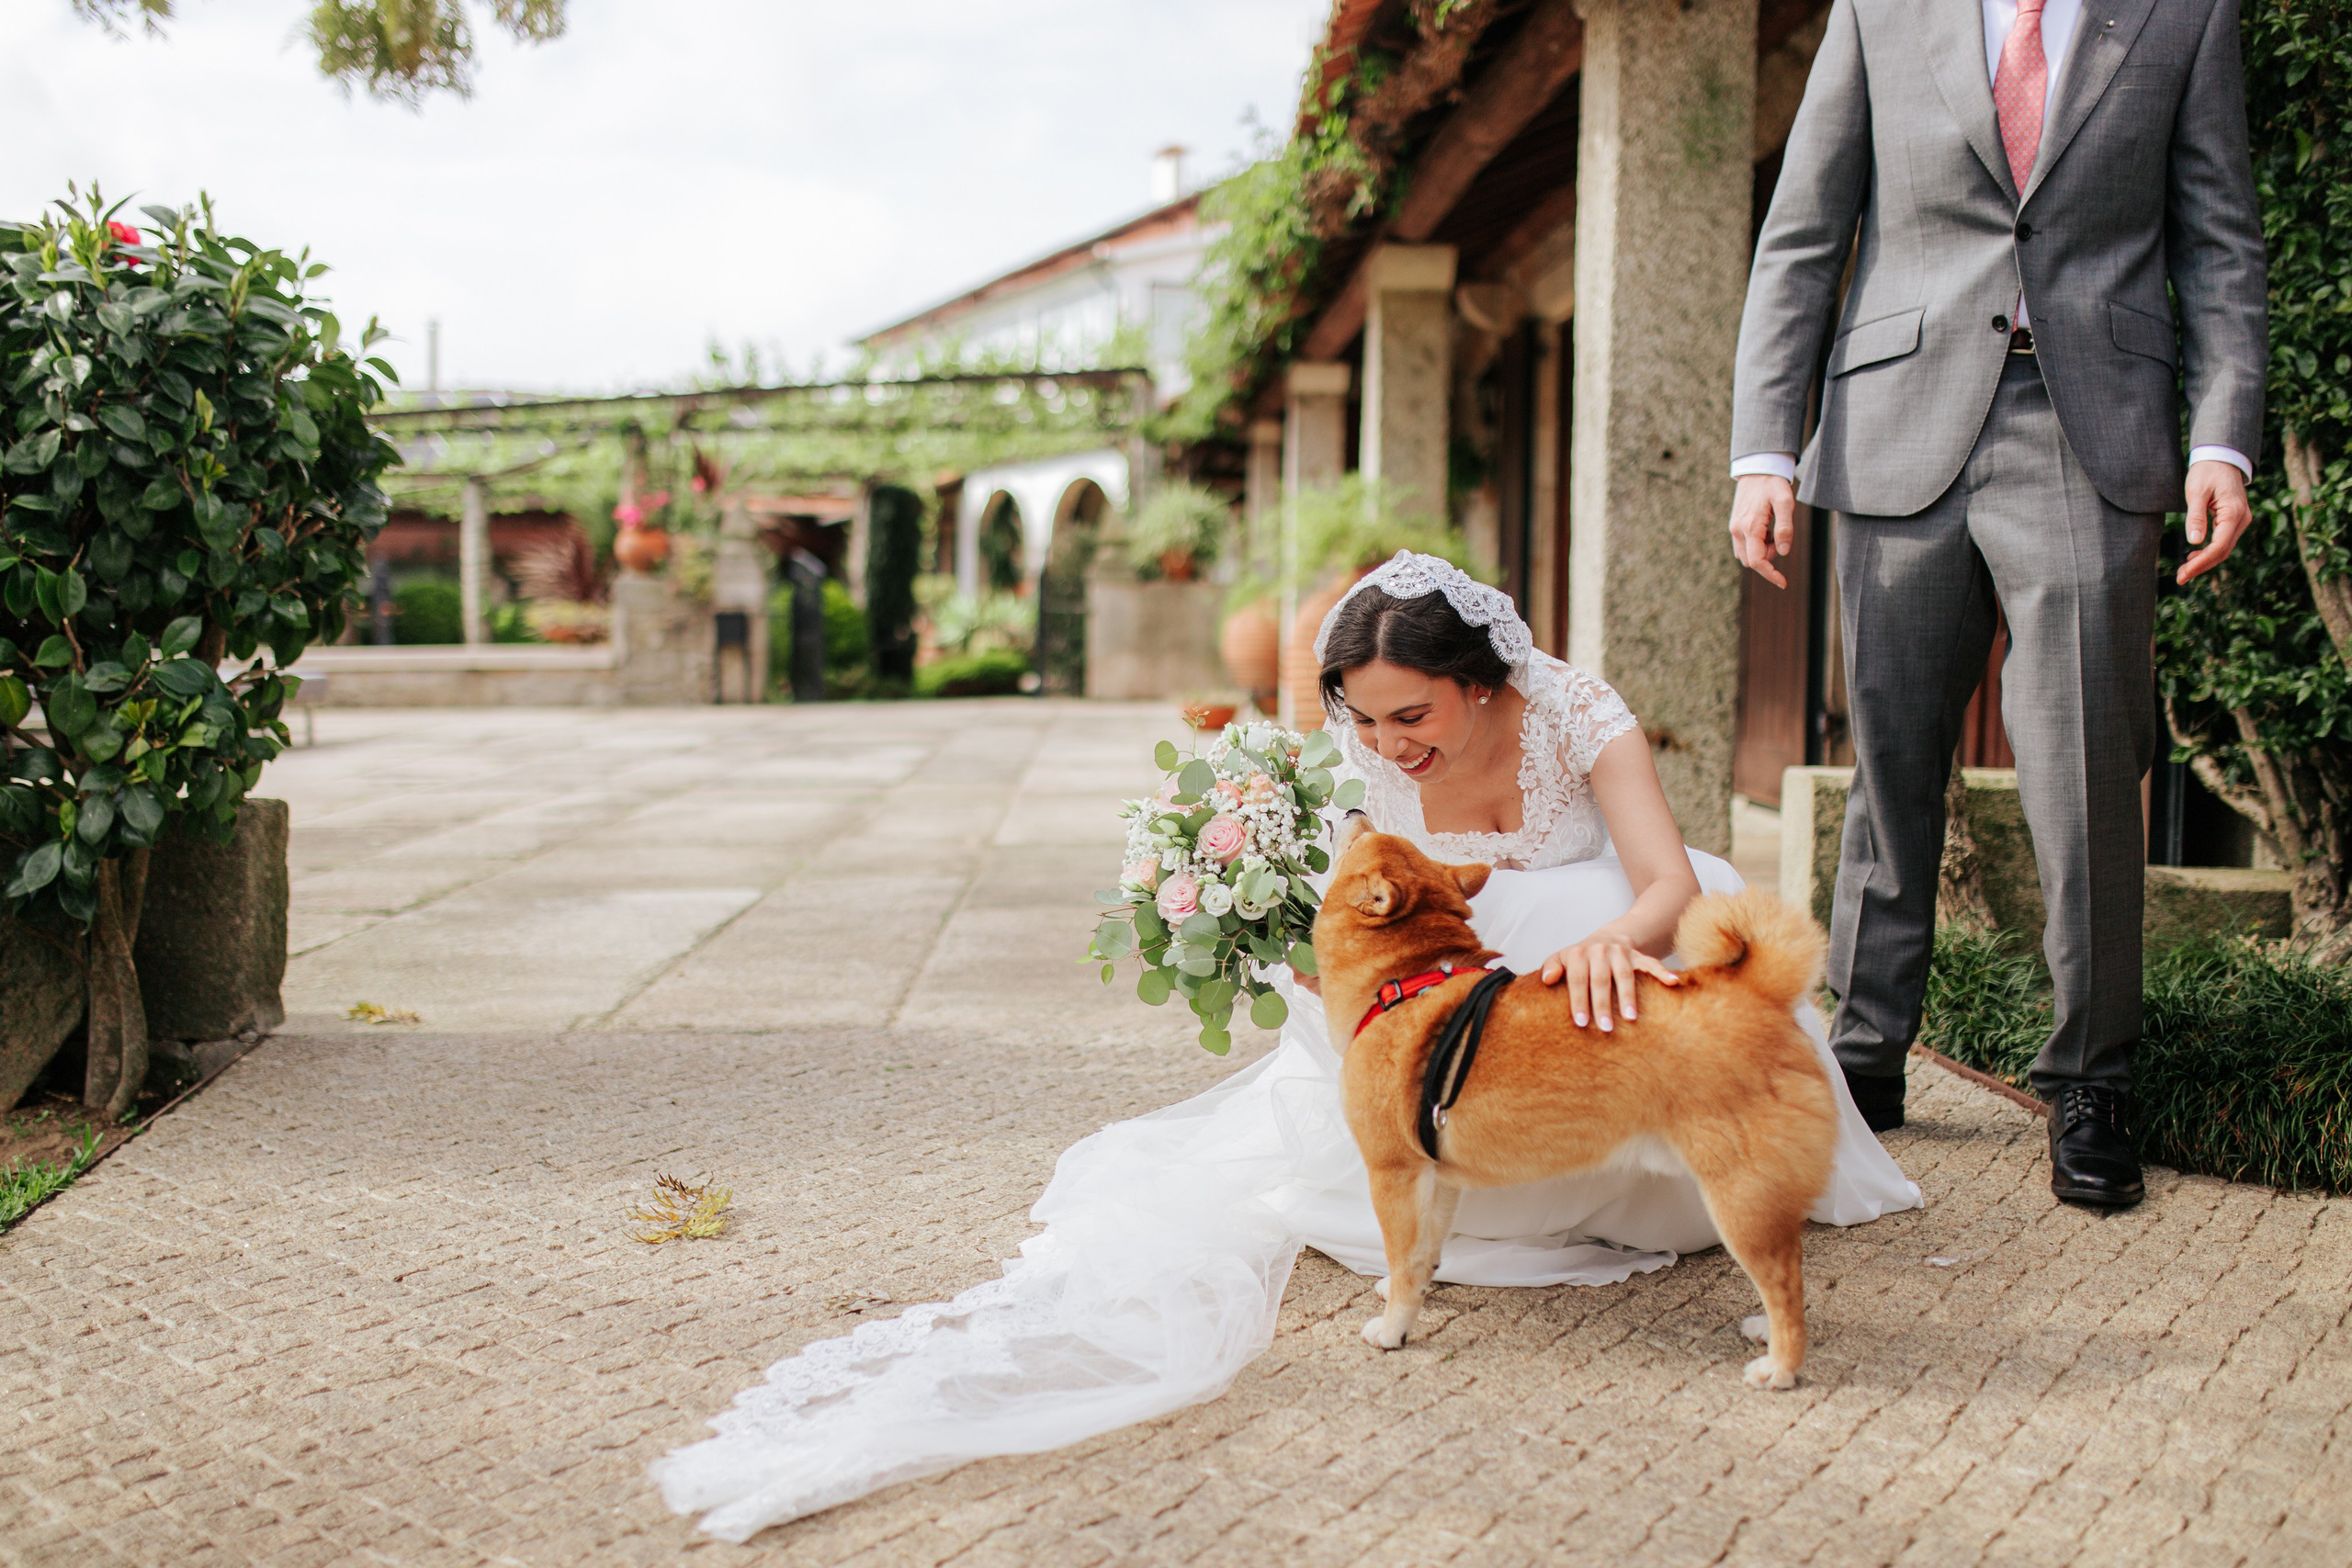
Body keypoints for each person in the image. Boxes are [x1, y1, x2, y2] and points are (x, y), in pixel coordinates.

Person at [652, 553, 1918, 1540]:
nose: (1388, 748)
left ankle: (1630, 1176)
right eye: (1362, 723)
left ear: (1483, 683)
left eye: (1411, 716)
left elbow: (1664, 878)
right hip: (1439, 986)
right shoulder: (1359, 759)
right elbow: (1343, 912)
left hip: (1596, 948)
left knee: (1596, 919)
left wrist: (1619, 942)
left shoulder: (1579, 716)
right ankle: (1464, 1199)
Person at [1727, 0, 2267, 1209]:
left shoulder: (2185, 17)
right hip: (1898, 423)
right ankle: (1866, 1055)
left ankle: (2092, 1078)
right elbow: (1805, 231)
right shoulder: (1880, 10)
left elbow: (2222, 247)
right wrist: (1765, 449)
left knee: (2086, 758)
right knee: (1891, 759)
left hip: (2090, 433)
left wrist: (2223, 437)